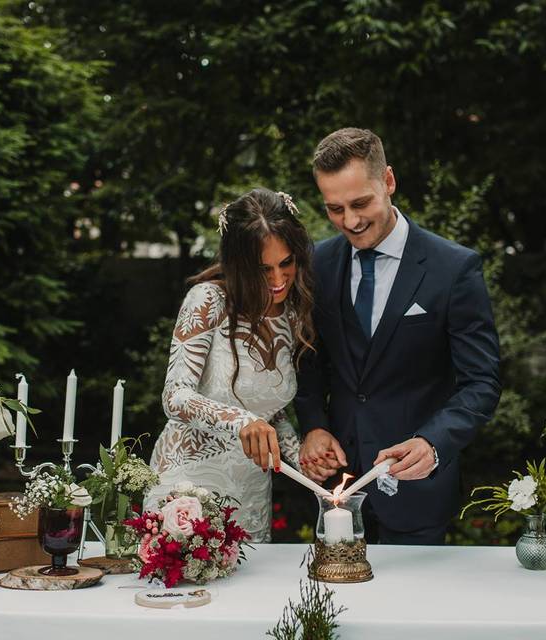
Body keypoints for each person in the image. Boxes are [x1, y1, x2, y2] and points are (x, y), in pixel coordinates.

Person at [294, 128, 501, 544]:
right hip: (335, 491)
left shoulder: (452, 268)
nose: (350, 221)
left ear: (387, 181)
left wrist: (433, 442)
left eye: (360, 203)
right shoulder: (317, 263)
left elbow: (481, 381)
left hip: (416, 493)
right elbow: (309, 360)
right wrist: (314, 424)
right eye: (334, 209)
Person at [145, 188, 315, 542]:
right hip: (188, 487)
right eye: (263, 269)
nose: (279, 280)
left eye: (286, 263)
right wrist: (242, 421)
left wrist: (305, 462)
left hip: (251, 494)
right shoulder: (208, 301)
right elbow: (175, 396)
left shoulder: (295, 313)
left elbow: (271, 412)